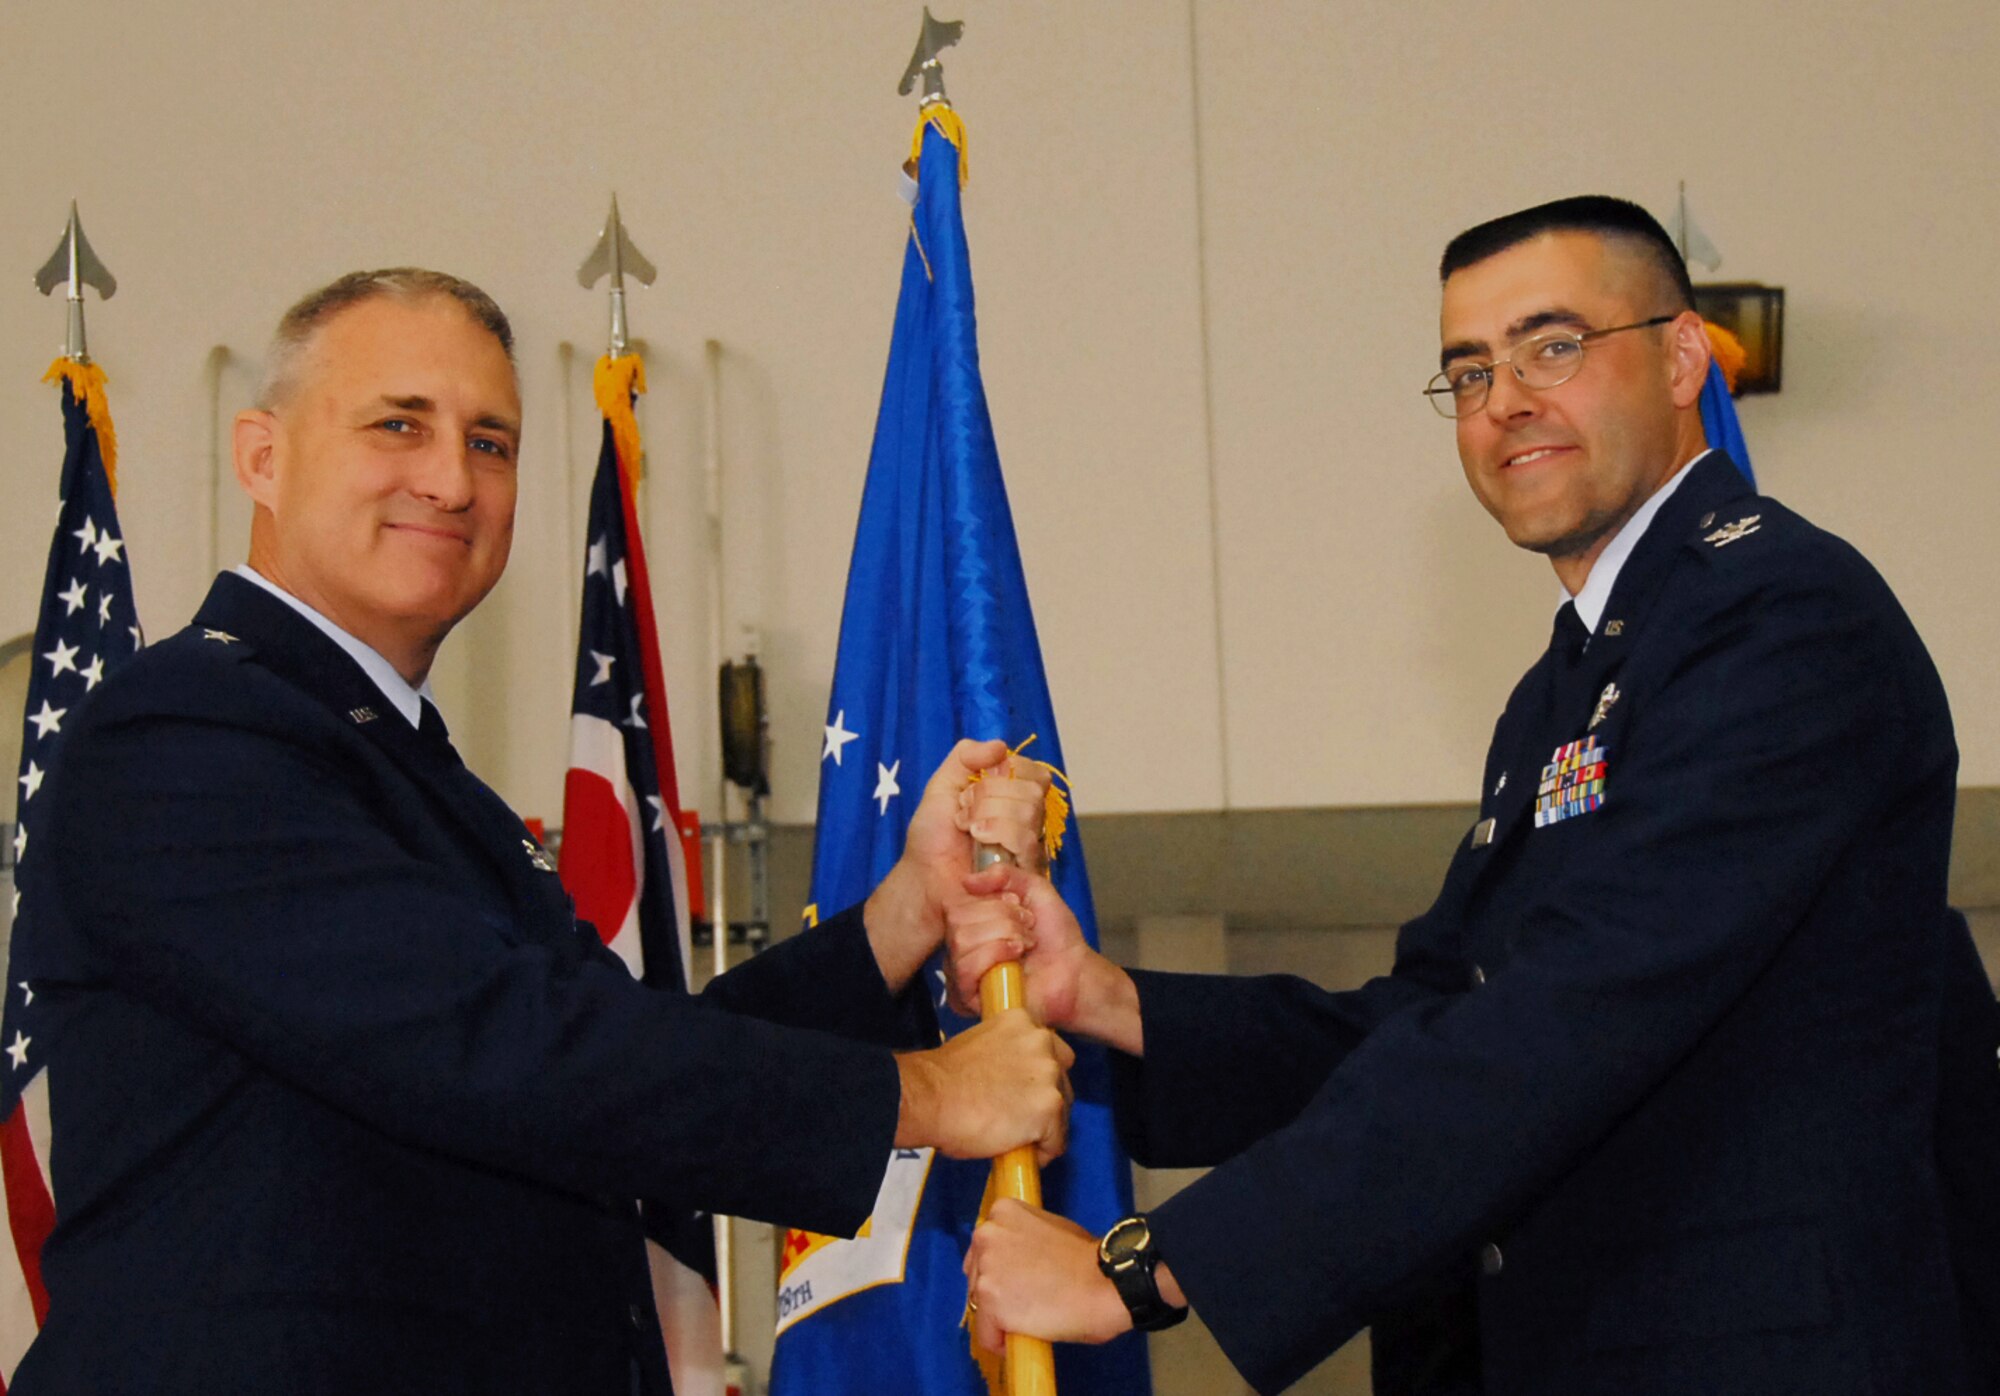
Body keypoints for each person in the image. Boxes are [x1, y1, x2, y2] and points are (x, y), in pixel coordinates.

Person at [950, 197, 2000, 1395]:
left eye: (1551, 345)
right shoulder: (1562, 688)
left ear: (1678, 357)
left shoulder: (1781, 618)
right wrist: (1106, 997)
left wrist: (1147, 1268)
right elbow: (1433, 1021)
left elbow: (1566, 1017)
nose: (1503, 398)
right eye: (1466, 369)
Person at [13, 269, 1070, 1395]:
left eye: (491, 443)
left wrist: (900, 918)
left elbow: (620, 1041)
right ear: (261, 457)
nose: (449, 479)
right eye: (398, 425)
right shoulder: (179, 729)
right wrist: (931, 1097)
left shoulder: (410, 770)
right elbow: (507, 1045)